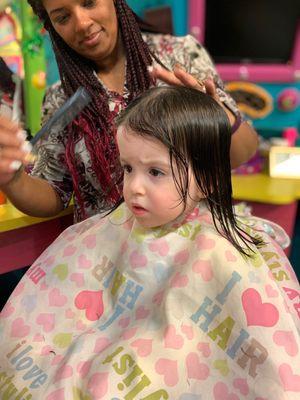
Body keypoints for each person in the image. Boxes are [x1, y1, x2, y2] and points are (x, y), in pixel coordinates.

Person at [0, 86, 299, 400]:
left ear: (207, 178)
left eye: (155, 172)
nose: (134, 188)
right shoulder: (111, 226)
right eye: (128, 168)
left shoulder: (217, 249)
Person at [0, 0, 258, 223]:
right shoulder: (62, 99)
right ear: (51, 26)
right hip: (110, 259)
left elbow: (242, 153)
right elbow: (54, 192)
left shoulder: (180, 56)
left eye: (89, 2)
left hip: (189, 249)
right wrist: (13, 181)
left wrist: (215, 114)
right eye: (63, 17)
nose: (82, 23)